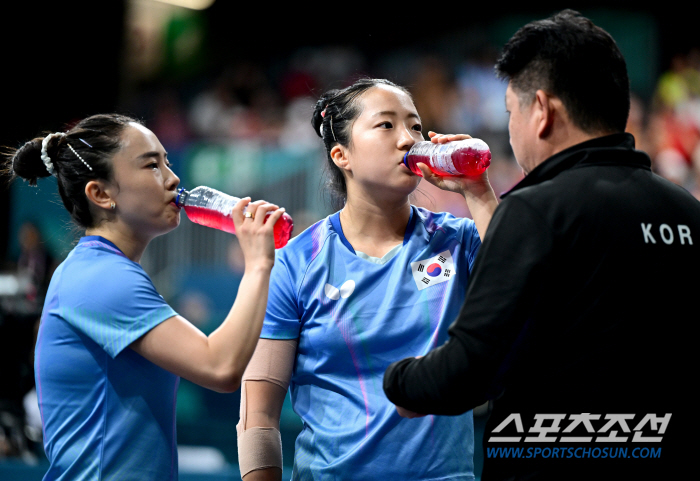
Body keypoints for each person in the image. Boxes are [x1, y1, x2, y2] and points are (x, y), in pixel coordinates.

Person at [383, 9, 700, 480]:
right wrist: (479, 195)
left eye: (511, 112)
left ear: (543, 112)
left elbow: (469, 371)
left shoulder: (538, 209)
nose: (510, 131)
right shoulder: (686, 212)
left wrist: (396, 380)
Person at [235, 78, 499, 480]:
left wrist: (478, 193)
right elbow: (258, 416)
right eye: (387, 125)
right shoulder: (295, 264)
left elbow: (528, 289)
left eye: (414, 125)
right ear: (342, 155)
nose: (408, 139)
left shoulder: (458, 240)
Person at [4, 113, 286, 480]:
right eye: (152, 165)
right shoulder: (101, 278)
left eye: (168, 162)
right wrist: (259, 264)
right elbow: (221, 366)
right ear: (101, 193)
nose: (173, 178)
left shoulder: (107, 272)